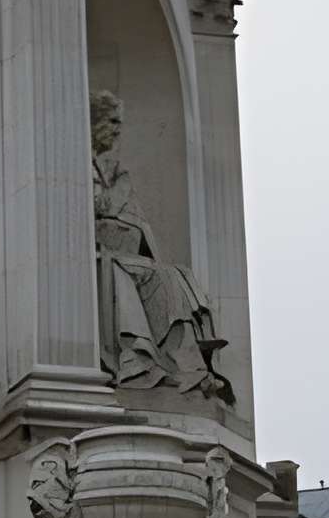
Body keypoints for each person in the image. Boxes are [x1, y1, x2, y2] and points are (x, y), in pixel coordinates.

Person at [90, 89, 232, 402]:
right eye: (112, 121)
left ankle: (192, 362)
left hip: (120, 251)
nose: (117, 130)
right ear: (94, 121)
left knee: (176, 274)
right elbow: (98, 209)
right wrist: (120, 187)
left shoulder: (106, 168)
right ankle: (179, 365)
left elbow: (130, 218)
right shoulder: (84, 164)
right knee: (162, 279)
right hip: (99, 257)